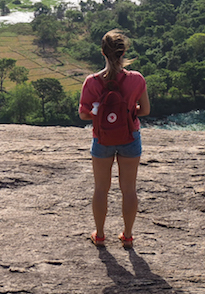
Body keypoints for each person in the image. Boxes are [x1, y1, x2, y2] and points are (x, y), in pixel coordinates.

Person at [78, 29, 150, 249]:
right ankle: (127, 237)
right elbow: (145, 110)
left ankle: (99, 235)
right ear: (123, 52)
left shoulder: (91, 82)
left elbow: (83, 114)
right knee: (129, 189)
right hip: (130, 137)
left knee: (101, 189)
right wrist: (127, 109)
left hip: (102, 139)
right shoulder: (136, 79)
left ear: (102, 52)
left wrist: (103, 114)